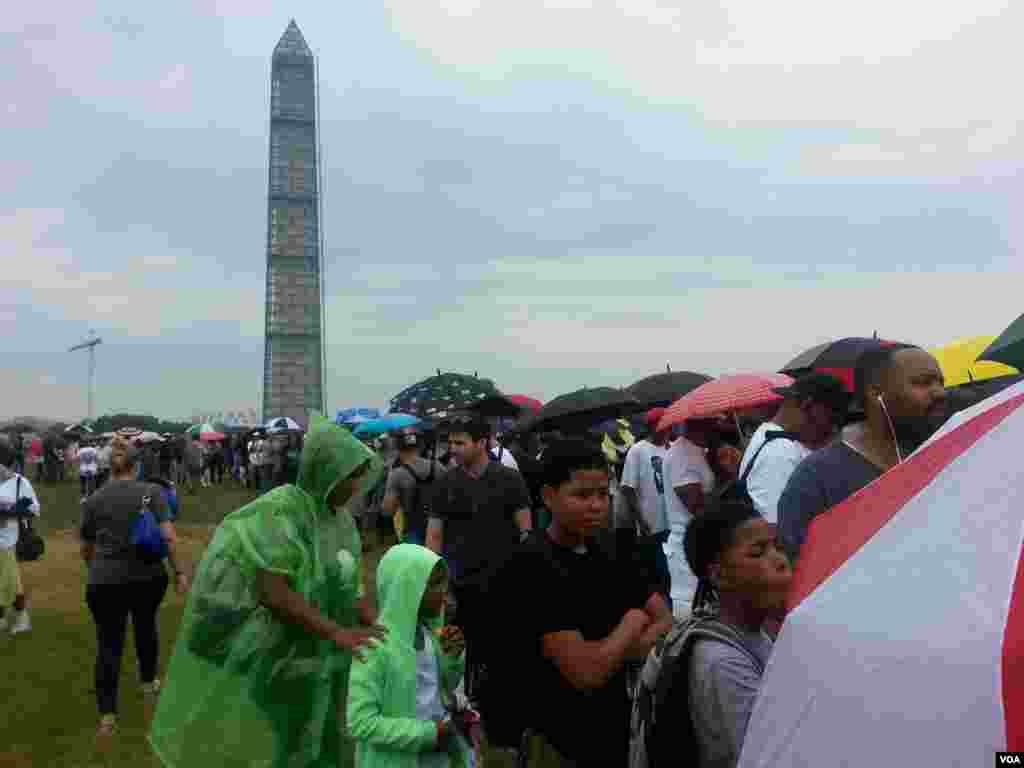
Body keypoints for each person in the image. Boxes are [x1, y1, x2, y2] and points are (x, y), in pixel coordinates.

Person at [150, 415, 385, 768]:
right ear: (324, 470)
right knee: (292, 741)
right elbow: (273, 593)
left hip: (327, 653)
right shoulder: (280, 513)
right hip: (284, 654)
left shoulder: (341, 521)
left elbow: (350, 586)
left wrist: (378, 624)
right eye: (351, 476)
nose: (356, 486)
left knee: (329, 736)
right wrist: (335, 631)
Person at [485, 438, 672, 765]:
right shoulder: (531, 565)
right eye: (582, 495)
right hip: (557, 738)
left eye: (602, 494)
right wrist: (632, 621)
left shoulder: (613, 550)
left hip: (617, 728)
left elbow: (665, 620)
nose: (597, 505)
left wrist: (610, 652)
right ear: (548, 497)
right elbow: (586, 673)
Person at [778, 345, 946, 563]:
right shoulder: (817, 477)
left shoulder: (943, 454)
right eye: (922, 383)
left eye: (941, 383)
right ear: (876, 393)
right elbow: (801, 571)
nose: (941, 393)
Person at [80, 433, 190, 736]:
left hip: (104, 579)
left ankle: (107, 716)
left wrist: (96, 568)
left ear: (110, 468)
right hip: (147, 577)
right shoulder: (153, 493)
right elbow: (168, 537)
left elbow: (87, 547)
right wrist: (180, 572)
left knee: (108, 644)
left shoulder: (93, 499)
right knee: (146, 626)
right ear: (136, 466)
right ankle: (148, 682)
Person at [425, 415, 533, 704]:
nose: (454, 448)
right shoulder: (445, 483)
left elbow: (525, 529)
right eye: (451, 443)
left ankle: (499, 701)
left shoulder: (509, 479)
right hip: (459, 583)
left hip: (503, 581)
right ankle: (455, 701)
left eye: (460, 442)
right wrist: (435, 581)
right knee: (453, 647)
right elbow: (434, 535)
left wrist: (526, 574)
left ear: (482, 442)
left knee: (501, 649)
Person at [683, 501, 792, 768]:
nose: (779, 561)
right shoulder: (722, 662)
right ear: (719, 575)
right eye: (758, 553)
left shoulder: (757, 632)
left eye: (777, 547)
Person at [348, 545, 477, 768]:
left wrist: (453, 659)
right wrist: (429, 733)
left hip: (437, 758)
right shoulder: (375, 647)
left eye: (444, 583)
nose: (444, 593)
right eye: (435, 584)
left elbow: (441, 690)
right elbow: (360, 722)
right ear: (407, 589)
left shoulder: (430, 637)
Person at [736, 373, 851, 523]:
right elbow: (778, 524)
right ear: (807, 406)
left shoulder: (771, 436)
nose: (832, 429)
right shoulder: (779, 452)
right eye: (832, 419)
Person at [663, 420, 717, 620]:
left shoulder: (696, 450)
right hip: (687, 544)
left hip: (699, 543)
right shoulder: (681, 454)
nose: (718, 425)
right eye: (715, 420)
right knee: (691, 611)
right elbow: (696, 505)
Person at [618, 408, 672, 603]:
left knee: (672, 572)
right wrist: (641, 519)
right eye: (663, 425)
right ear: (652, 427)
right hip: (652, 525)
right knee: (658, 574)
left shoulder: (672, 448)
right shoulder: (638, 450)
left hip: (673, 522)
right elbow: (628, 488)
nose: (667, 429)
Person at [0, 434, 40, 635]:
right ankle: (20, 619)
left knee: (7, 582)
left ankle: (7, 619)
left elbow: (34, 509)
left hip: (6, 541)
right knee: (12, 582)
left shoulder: (18, 483)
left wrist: (11, 511)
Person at [383, 427, 446, 545]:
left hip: (413, 530)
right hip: (440, 528)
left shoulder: (397, 474)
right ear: (420, 445)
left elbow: (388, 510)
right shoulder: (439, 467)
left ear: (397, 447)